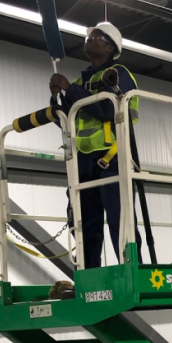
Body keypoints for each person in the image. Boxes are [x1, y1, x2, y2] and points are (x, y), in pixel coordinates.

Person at [49, 21, 141, 270]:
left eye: (98, 36)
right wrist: (57, 96)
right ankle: (89, 274)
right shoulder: (80, 81)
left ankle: (131, 271)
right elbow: (66, 122)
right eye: (90, 35)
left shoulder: (119, 74)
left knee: (120, 221)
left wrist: (71, 90)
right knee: (84, 223)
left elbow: (107, 109)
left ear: (111, 47)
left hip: (113, 159)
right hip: (83, 163)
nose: (91, 38)